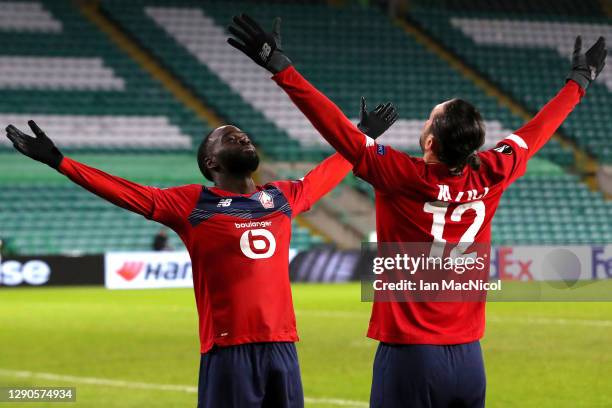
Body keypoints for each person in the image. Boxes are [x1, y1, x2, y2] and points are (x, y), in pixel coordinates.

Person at [227, 14, 607, 408]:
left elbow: (334, 127)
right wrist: (579, 81)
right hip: (469, 359)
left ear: (429, 142)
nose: (425, 121)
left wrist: (280, 67)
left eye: (429, 118)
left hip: (411, 356)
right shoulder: (495, 169)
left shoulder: (399, 174)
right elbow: (539, 128)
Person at [4, 97, 397, 406]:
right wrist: (61, 162)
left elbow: (327, 172)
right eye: (230, 137)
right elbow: (128, 193)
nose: (243, 138)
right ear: (211, 161)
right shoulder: (192, 204)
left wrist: (361, 136)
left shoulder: (281, 196)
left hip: (283, 347)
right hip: (228, 351)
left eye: (244, 135)